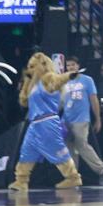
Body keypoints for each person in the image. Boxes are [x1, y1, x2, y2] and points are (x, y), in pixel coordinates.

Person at [8, 53, 82, 190]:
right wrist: (26, 82)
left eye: (32, 66)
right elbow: (23, 102)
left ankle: (73, 177)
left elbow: (58, 80)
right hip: (34, 123)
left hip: (47, 122)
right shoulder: (33, 84)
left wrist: (68, 76)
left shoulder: (48, 78)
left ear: (42, 65)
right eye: (29, 67)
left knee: (58, 150)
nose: (29, 69)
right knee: (26, 152)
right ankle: (21, 180)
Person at [61, 57, 103, 185]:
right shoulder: (64, 82)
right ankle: (73, 176)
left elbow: (94, 100)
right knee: (69, 148)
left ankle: (101, 168)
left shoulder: (87, 80)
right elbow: (60, 103)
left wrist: (98, 119)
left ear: (78, 66)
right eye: (68, 65)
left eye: (73, 65)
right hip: (66, 120)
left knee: (81, 144)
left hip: (81, 119)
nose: (70, 67)